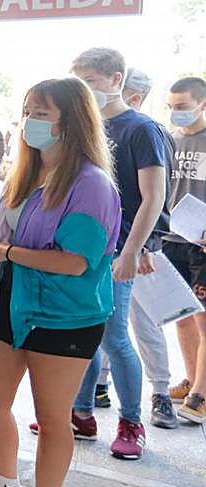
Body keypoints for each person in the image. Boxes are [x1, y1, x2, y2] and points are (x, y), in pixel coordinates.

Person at [0, 77, 121, 487]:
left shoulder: (91, 184)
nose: (31, 121)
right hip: (8, 308)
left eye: (42, 111)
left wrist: (6, 252)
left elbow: (75, 261)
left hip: (64, 317)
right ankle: (6, 485)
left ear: (71, 120)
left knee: (52, 417)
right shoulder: (22, 174)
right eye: (27, 109)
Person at [57, 48, 171, 459]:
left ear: (117, 80)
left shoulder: (142, 129)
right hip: (82, 252)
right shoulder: (81, 128)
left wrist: (132, 250)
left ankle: (131, 422)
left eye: (92, 80)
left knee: (116, 337)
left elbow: (153, 196)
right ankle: (81, 413)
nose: (85, 90)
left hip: (118, 252)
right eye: (79, 81)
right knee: (85, 333)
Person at [111, 63, 180, 429]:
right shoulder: (106, 127)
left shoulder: (148, 132)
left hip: (141, 247)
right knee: (110, 327)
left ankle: (161, 394)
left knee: (144, 324)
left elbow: (157, 198)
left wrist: (147, 246)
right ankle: (100, 391)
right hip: (113, 245)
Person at [163, 77, 206, 423]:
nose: (175, 113)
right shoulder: (168, 140)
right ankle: (191, 379)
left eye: (182, 106)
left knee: (203, 320)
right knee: (181, 317)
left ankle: (200, 395)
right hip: (171, 239)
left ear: (201, 104)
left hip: (201, 245)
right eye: (171, 106)